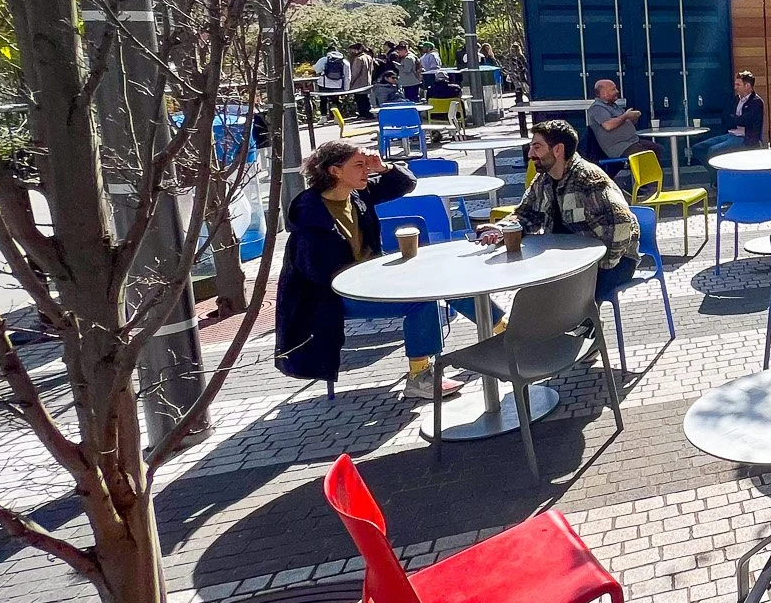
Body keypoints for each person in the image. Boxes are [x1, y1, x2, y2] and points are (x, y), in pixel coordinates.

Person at [275, 141, 480, 400]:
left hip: (373, 280)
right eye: (359, 165)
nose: (366, 171)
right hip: (334, 296)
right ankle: (420, 377)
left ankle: (503, 330)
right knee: (421, 301)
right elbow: (318, 273)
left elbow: (405, 183)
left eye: (366, 165)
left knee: (446, 281)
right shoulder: (310, 215)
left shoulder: (357, 194)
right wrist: (380, 278)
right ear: (335, 171)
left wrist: (382, 167)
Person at [476, 121, 640, 302]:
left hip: (614, 263)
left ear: (558, 150)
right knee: (533, 292)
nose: (530, 154)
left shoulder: (588, 179)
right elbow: (525, 213)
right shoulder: (543, 180)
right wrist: (501, 229)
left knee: (556, 298)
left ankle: (583, 318)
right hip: (568, 260)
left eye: (537, 147)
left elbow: (622, 221)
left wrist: (601, 265)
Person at [695, 71, 766, 162]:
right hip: (731, 134)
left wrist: (733, 119)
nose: (735, 87)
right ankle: (713, 170)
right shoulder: (736, 99)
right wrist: (734, 119)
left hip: (745, 138)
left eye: (738, 85)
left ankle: (719, 170)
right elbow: (726, 115)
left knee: (713, 151)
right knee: (698, 148)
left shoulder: (756, 102)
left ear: (747, 86)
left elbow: (744, 121)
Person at [585, 78, 652, 172]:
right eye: (613, 89)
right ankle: (646, 180)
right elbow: (608, 126)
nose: (617, 91)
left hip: (632, 142)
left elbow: (623, 122)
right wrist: (626, 116)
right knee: (645, 155)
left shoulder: (614, 106)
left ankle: (655, 177)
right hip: (618, 147)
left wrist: (633, 118)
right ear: (603, 93)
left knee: (657, 149)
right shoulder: (597, 108)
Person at [344, 42, 375, 117]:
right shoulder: (369, 57)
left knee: (360, 99)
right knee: (366, 98)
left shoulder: (358, 59)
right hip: (367, 82)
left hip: (358, 83)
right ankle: (367, 113)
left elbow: (355, 73)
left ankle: (363, 114)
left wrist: (350, 83)